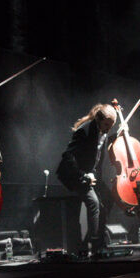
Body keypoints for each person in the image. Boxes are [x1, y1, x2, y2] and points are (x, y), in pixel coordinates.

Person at [56, 103, 117, 257]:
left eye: (111, 126)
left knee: (109, 199)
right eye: (106, 125)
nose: (109, 128)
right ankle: (95, 245)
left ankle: (95, 239)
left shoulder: (103, 131)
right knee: (94, 203)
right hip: (75, 174)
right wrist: (83, 175)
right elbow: (68, 157)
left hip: (93, 175)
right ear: (98, 120)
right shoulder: (84, 131)